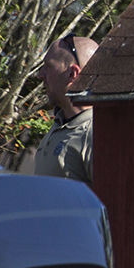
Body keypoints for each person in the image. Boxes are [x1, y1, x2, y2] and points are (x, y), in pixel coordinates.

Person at [33, 34, 99, 184]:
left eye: (48, 67)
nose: (40, 75)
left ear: (72, 73)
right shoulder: (58, 125)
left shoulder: (95, 134)